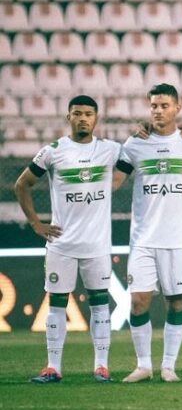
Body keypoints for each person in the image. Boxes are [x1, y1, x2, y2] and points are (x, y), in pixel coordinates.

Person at [14, 95, 126, 383]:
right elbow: (22, 184)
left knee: (100, 304)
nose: (83, 118)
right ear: (69, 117)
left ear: (96, 118)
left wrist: (115, 183)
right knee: (57, 304)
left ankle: (101, 366)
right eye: (77, 113)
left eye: (88, 113)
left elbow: (135, 158)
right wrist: (36, 223)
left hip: (97, 245)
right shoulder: (54, 151)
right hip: (62, 244)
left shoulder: (109, 150)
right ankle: (53, 367)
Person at [117, 84, 182, 383]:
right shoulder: (134, 144)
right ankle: (144, 364)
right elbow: (114, 181)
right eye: (154, 105)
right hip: (143, 239)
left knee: (177, 302)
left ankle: (169, 366)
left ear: (177, 108)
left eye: (164, 105)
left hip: (179, 240)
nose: (158, 110)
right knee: (138, 302)